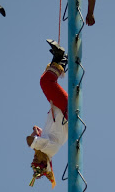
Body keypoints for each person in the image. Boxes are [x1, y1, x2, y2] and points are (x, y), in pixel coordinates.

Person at [27, 39, 68, 188]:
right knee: (46, 82)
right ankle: (60, 58)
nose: (35, 156)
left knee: (46, 81)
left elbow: (40, 137)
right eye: (36, 159)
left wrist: (37, 132)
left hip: (61, 108)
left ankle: (61, 59)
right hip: (65, 110)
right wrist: (34, 138)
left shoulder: (47, 145)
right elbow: (30, 142)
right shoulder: (50, 150)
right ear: (44, 162)